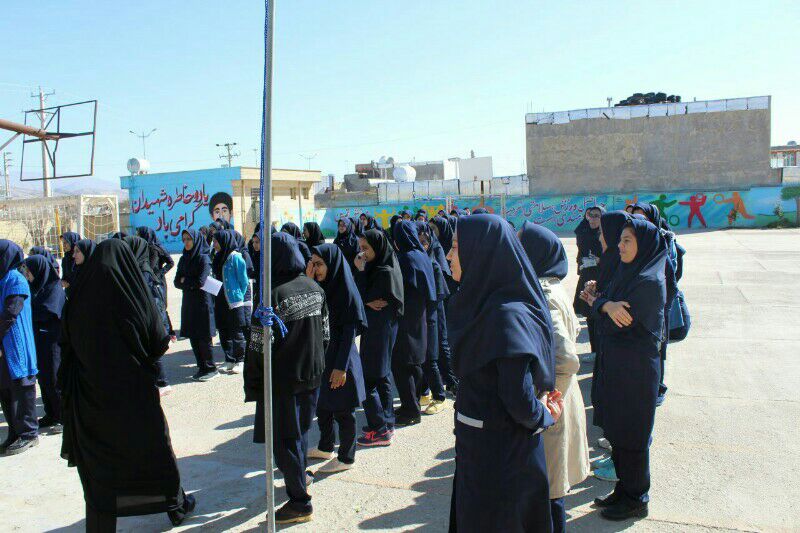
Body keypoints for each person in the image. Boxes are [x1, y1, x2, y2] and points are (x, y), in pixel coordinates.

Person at [59, 239, 195, 529]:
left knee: (99, 463)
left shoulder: (79, 296)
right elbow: (158, 342)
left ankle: (101, 523)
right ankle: (176, 506)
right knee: (154, 450)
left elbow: (65, 343)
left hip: (90, 398)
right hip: (134, 395)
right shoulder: (132, 294)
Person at [446, 215, 561, 533]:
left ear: (481, 252)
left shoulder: (506, 316)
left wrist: (544, 415)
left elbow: (518, 397)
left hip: (501, 459)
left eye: (455, 247)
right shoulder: (482, 301)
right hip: (481, 449)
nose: (449, 256)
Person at [584, 218, 667, 521]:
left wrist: (601, 306)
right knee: (618, 432)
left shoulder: (648, 282)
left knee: (632, 436)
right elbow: (605, 308)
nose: (619, 246)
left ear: (643, 245)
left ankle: (636, 498)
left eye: (627, 241)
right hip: (617, 366)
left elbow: (616, 323)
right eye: (620, 240)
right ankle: (624, 489)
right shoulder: (626, 272)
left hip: (635, 373)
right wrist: (604, 304)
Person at [244, 232, 327, 525]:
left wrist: (253, 383)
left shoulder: (272, 296)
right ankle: (300, 479)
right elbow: (325, 335)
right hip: (311, 376)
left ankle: (300, 502)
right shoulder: (315, 288)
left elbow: (258, 347)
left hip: (283, 382)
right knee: (300, 435)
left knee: (283, 442)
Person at [519, 222, 591, 533]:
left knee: (549, 496)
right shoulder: (549, 285)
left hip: (554, 408)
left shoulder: (543, 294)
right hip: (561, 402)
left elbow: (565, 360)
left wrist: (546, 402)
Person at [306, 244, 367, 473]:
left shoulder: (345, 291)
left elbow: (349, 333)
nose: (316, 269)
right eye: (313, 264)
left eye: (319, 264)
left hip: (342, 359)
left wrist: (341, 368)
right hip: (324, 357)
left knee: (343, 409)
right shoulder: (322, 287)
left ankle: (346, 457)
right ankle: (325, 446)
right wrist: (309, 280)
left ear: (332, 264)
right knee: (323, 406)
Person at [353, 229, 403, 447]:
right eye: (360, 248)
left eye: (366, 248)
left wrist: (360, 271)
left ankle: (379, 429)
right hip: (381, 328)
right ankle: (387, 422)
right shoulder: (383, 265)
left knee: (369, 378)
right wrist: (366, 299)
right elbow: (365, 298)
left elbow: (358, 294)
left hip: (379, 329)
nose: (362, 253)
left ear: (378, 247)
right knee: (382, 375)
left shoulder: (383, 272)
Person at [631, 202, 679, 406]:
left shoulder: (662, 243)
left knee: (658, 351)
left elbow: (672, 282)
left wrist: (660, 308)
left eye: (643, 218)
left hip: (657, 310)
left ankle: (658, 388)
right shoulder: (629, 246)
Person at [391, 221, 436, 426]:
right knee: (415, 363)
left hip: (406, 318)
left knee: (403, 365)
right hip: (420, 315)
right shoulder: (421, 255)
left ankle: (411, 411)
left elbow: (397, 288)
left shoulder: (405, 258)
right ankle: (412, 404)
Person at [0, 240, 39, 455]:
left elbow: (11, 313)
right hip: (3, 343)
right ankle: (15, 432)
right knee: (5, 388)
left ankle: (29, 433)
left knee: (22, 386)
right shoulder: (2, 278)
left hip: (16, 342)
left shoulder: (16, 279)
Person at [21, 255, 67, 434]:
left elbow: (50, 312)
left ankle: (63, 417)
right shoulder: (35, 288)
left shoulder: (54, 287)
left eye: (29, 271)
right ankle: (51, 413)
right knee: (44, 378)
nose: (27, 274)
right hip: (39, 340)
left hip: (53, 341)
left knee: (54, 377)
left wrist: (31, 313)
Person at [124, 236, 174, 396]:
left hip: (148, 316)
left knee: (152, 350)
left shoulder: (144, 270)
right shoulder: (137, 267)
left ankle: (163, 382)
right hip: (143, 315)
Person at [175, 229, 218, 381]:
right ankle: (202, 367)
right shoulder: (184, 259)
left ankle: (211, 368)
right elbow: (176, 282)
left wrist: (185, 281)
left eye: (189, 239)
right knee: (193, 336)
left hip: (202, 303)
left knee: (203, 337)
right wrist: (189, 283)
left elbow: (200, 281)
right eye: (184, 239)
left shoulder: (203, 258)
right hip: (189, 302)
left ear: (196, 240)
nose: (186, 242)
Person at [415, 223, 448, 415]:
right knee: (422, 359)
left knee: (430, 359)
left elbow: (437, 298)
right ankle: (425, 392)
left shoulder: (433, 265)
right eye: (418, 242)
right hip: (421, 318)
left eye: (425, 242)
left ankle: (440, 397)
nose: (422, 246)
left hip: (431, 318)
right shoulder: (419, 264)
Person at [212, 230, 250, 374]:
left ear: (224, 241)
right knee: (224, 330)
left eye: (216, 241)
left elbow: (243, 281)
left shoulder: (235, 257)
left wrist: (238, 295)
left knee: (236, 331)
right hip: (220, 299)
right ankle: (229, 359)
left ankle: (240, 360)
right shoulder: (217, 257)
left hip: (234, 300)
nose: (214, 244)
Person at [573, 207, 605, 354]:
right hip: (587, 277)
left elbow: (613, 257)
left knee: (600, 315)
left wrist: (600, 260)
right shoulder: (584, 232)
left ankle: (601, 352)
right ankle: (594, 352)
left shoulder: (606, 234)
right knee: (589, 315)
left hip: (601, 278)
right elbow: (580, 252)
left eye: (597, 216)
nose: (593, 218)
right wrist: (582, 262)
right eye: (590, 215)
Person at [136, 226, 175, 299]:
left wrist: (159, 274)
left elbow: (171, 263)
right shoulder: (142, 248)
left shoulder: (156, 248)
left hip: (157, 283)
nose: (137, 237)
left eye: (139, 235)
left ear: (145, 235)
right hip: (147, 281)